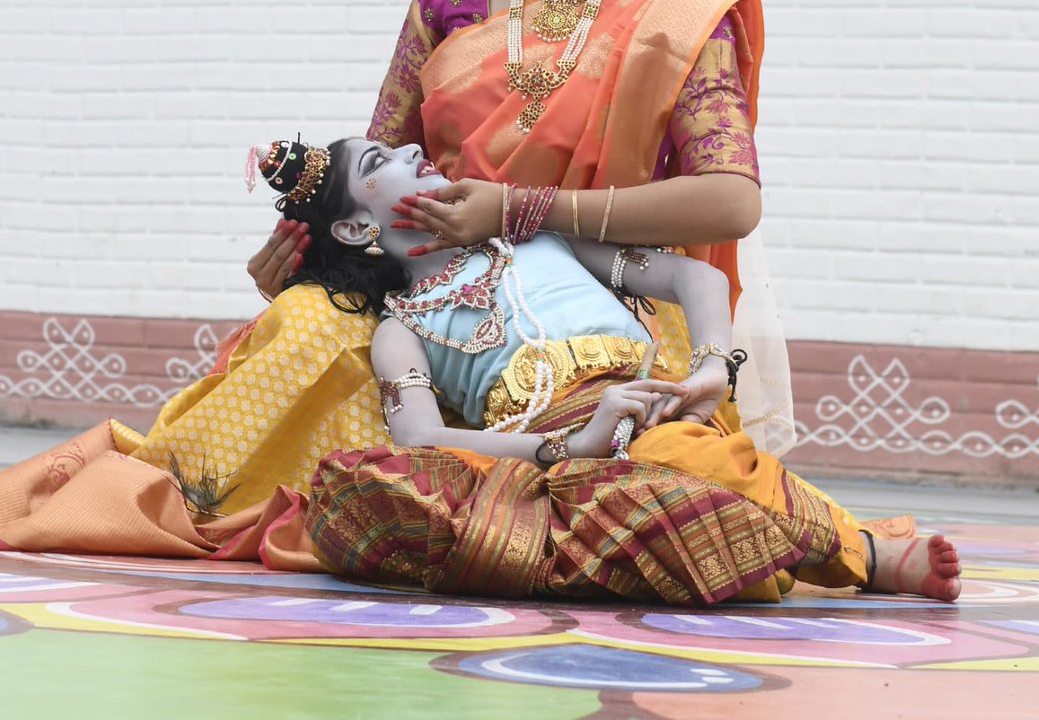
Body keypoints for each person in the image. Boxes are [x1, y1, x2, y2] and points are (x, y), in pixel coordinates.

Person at [244, 0, 793, 492]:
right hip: (438, 313)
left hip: (602, 301)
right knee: (296, 330)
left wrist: (520, 210)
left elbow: (731, 202)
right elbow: (378, 157)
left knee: (663, 470)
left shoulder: (674, 13)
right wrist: (308, 259)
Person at [256, 134, 962, 606]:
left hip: (655, 407)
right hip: (565, 454)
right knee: (650, 502)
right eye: (382, 158)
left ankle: (862, 551)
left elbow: (695, 279)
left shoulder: (539, 238)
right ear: (355, 228)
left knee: (678, 451)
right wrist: (575, 444)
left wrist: (715, 364)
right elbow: (419, 439)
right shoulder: (400, 328)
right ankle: (775, 543)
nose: (413, 145)